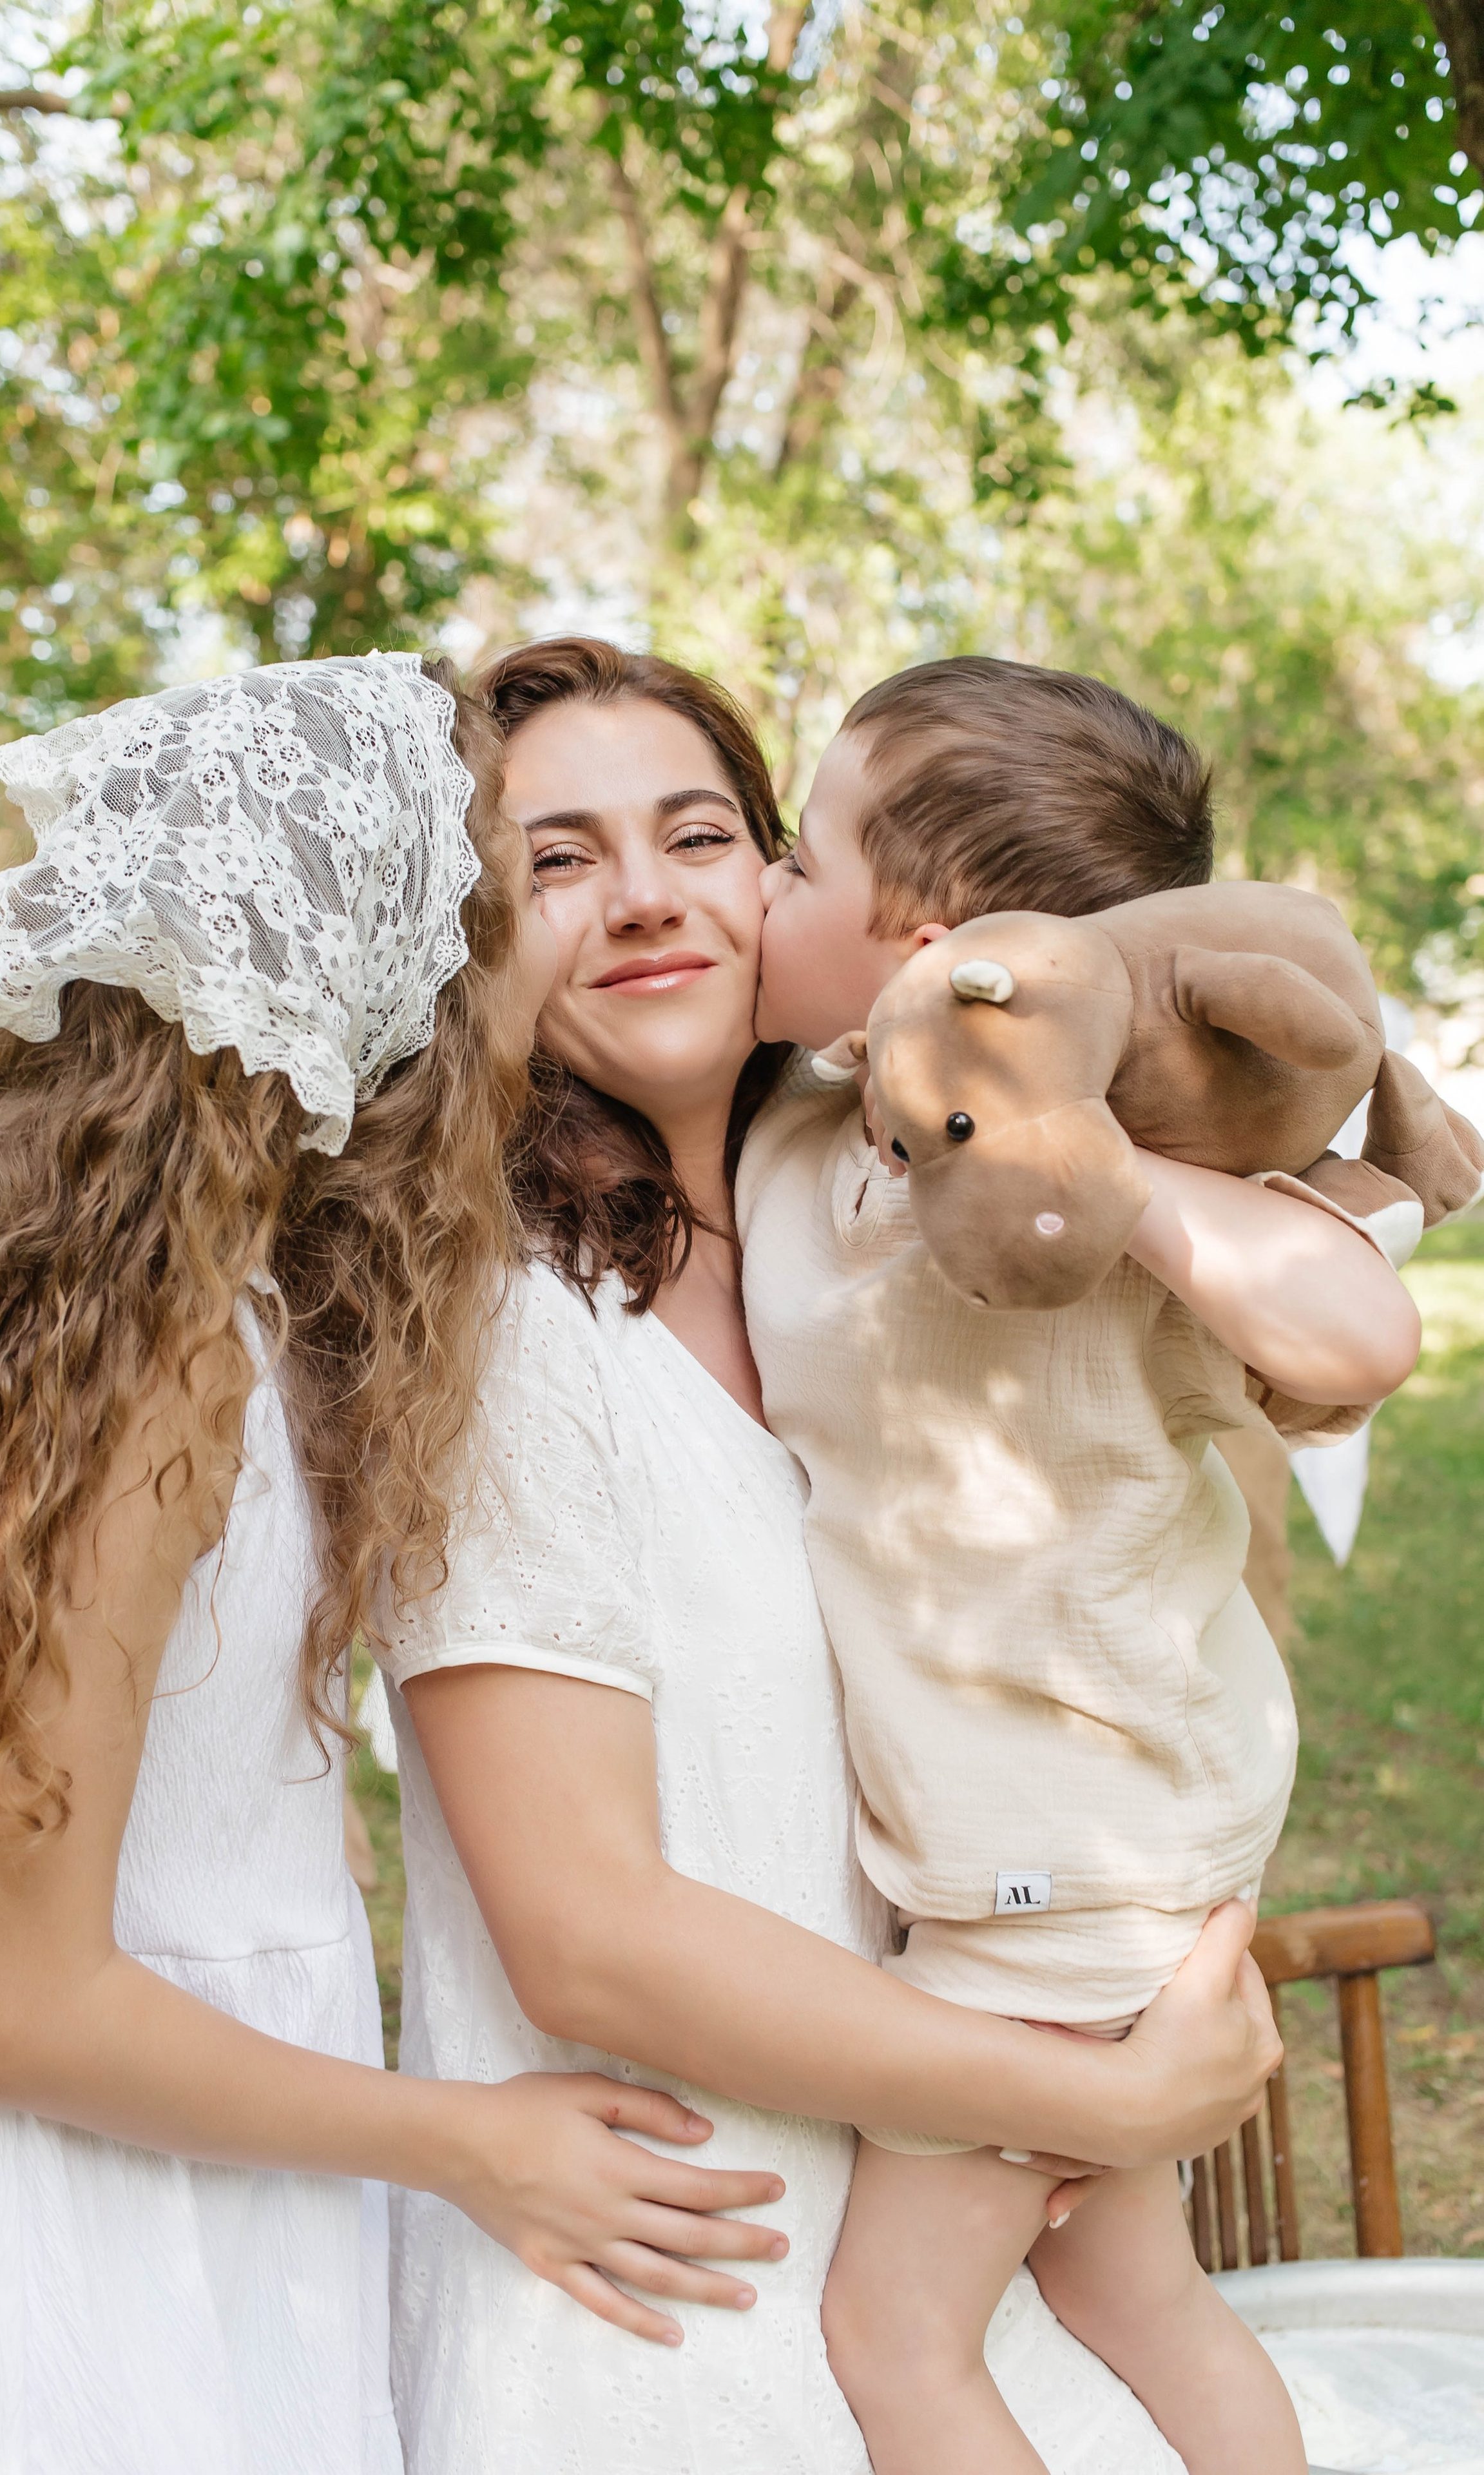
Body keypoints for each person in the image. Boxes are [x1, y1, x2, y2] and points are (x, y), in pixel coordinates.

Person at [0, 654, 791, 2475]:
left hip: (204, 2142)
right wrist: (472, 2143)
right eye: (494, 911)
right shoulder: (157, 1359)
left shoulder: (195, 1317)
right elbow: (6, 2005)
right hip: (94, 2228)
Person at [377, 636, 1296, 2475]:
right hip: (679, 2273)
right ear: (465, 932)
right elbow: (591, 1944)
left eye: (700, 835)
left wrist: (1136, 1969)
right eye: (554, 860)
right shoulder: (497, 1325)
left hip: (982, 2183)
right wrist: (1104, 2094)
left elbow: (1150, 1584)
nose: (646, 899)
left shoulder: (897, 1216)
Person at [744, 655, 1423, 2475]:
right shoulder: (800, 1127)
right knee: (1140, 2296)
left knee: (896, 2340)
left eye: (797, 858)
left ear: (936, 951)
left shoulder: (1106, 1207)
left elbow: (1361, 1335)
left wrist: (1094, 1164)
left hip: (1073, 1879)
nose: (760, 888)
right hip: (1036, 1870)